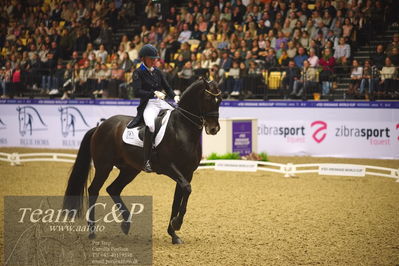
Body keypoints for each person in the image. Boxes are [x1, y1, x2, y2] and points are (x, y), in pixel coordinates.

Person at [127, 44, 180, 172]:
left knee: (176, 116)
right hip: (148, 103)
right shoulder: (138, 72)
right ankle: (146, 161)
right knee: (150, 125)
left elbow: (167, 87)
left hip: (160, 101)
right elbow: (136, 92)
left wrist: (175, 96)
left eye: (154, 59)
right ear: (143, 59)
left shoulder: (157, 71)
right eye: (151, 59)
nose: (153, 61)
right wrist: (153, 93)